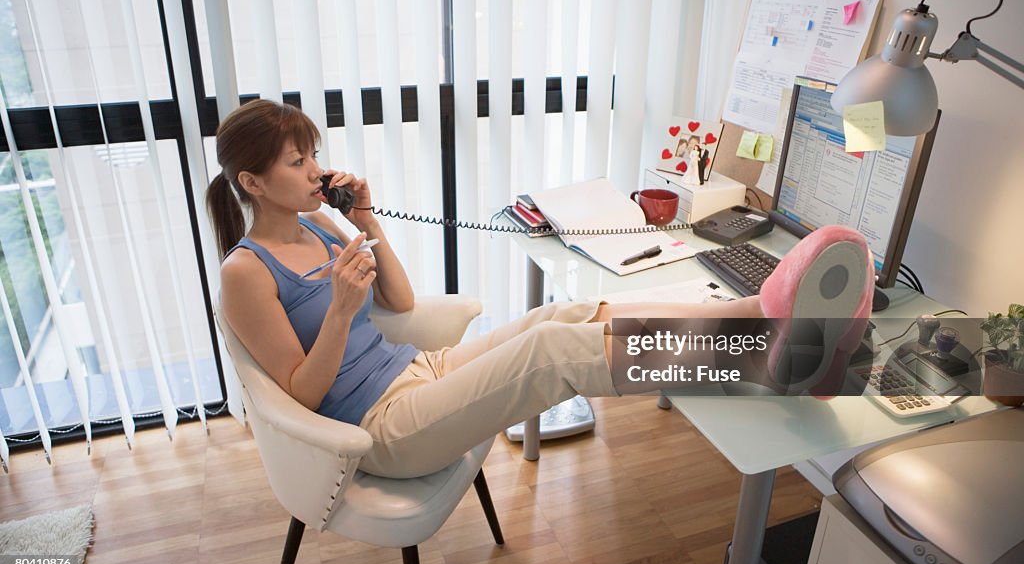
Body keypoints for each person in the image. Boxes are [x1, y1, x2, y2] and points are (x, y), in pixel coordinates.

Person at [209, 100, 874, 479]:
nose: (316, 170)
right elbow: (299, 395)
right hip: (376, 428)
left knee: (564, 311)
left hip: (417, 371)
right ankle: (757, 356)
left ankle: (752, 312)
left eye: (314, 157)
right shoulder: (245, 272)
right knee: (553, 352)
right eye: (299, 163)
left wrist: (363, 219)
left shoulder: (318, 225)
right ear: (253, 183)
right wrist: (339, 316)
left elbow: (403, 305)